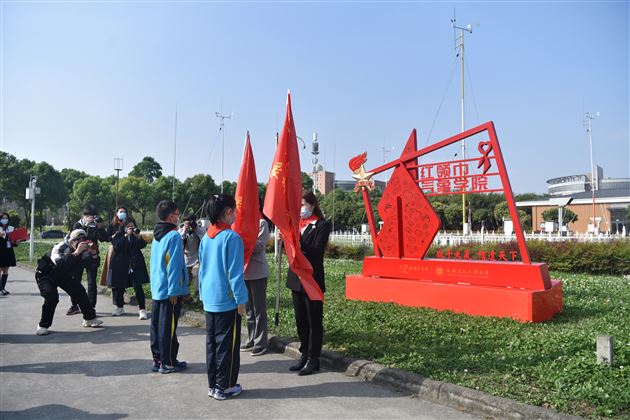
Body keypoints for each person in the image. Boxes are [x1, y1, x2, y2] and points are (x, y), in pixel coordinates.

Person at [198, 194, 248, 401]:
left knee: (213, 344)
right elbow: (235, 274)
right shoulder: (231, 237)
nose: (235, 214)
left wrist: (201, 293)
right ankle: (224, 386)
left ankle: (213, 385)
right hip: (227, 300)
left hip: (210, 298)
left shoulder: (206, 238)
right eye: (234, 210)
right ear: (227, 212)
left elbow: (201, 269)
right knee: (228, 345)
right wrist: (241, 299)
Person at [286, 191, 331, 376]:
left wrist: (297, 242)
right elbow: (291, 252)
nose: (300, 209)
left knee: (314, 321)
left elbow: (316, 251)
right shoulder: (296, 225)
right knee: (301, 321)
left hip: (312, 280)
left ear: (312, 205)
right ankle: (304, 354)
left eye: (303, 204)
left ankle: (314, 359)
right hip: (296, 279)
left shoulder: (321, 225)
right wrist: (285, 241)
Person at [35, 229, 104, 335]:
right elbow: (60, 264)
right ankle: (43, 325)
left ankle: (89, 319)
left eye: (84, 240)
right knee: (51, 297)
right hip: (46, 274)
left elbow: (93, 265)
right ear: (71, 241)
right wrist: (76, 253)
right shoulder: (61, 247)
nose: (82, 243)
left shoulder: (84, 251)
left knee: (80, 292)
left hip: (64, 276)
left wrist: (94, 254)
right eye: (78, 240)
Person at [149, 200, 188, 374]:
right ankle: (168, 362)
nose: (178, 217)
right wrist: (174, 290)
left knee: (157, 326)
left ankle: (158, 359)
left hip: (158, 288)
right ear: (171, 215)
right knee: (168, 327)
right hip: (169, 290)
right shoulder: (173, 236)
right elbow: (174, 265)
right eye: (177, 214)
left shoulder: (157, 235)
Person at [240, 202, 270, 356]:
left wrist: (240, 241)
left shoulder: (262, 223)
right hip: (244, 271)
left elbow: (258, 246)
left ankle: (261, 342)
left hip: (257, 271)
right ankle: (251, 339)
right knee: (249, 309)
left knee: (259, 309)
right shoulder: (241, 223)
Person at [66, 205, 108, 315]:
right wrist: (86, 226)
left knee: (92, 283)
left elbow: (104, 239)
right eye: (89, 216)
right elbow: (74, 238)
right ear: (83, 216)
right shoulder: (77, 225)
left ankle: (91, 307)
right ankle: (75, 305)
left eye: (93, 216)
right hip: (78, 257)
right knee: (75, 281)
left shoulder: (95, 226)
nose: (91, 218)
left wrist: (100, 227)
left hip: (91, 256)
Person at [109, 218, 149, 320]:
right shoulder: (118, 235)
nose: (131, 228)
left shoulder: (136, 235)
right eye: (128, 226)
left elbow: (143, 245)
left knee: (137, 286)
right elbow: (117, 246)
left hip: (135, 264)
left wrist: (138, 237)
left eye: (132, 226)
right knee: (119, 286)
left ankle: (142, 309)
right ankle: (119, 307)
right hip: (121, 264)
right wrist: (126, 236)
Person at [178, 213, 206, 302]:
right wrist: (185, 230)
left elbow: (204, 238)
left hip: (197, 259)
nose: (190, 225)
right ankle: (185, 296)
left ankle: (199, 295)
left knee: (197, 276)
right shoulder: (181, 230)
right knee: (185, 278)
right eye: (187, 223)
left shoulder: (200, 229)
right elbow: (179, 239)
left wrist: (196, 229)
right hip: (185, 259)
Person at [0, 212, 21, 295]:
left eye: (6, 218)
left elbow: (13, 243)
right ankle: (0, 289)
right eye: (3, 218)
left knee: (5, 271)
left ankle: (3, 288)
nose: (5, 220)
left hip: (8, 251)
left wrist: (18, 241)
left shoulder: (10, 228)